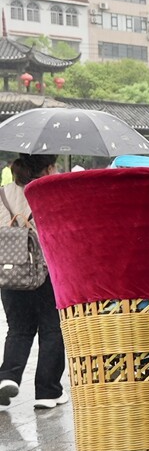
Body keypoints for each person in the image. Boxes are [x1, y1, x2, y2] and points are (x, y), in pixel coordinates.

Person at [0, 155, 68, 410]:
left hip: (9, 271)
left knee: (18, 329)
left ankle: (7, 377)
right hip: (47, 271)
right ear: (48, 168)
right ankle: (47, 392)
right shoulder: (51, 193)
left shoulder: (2, 194)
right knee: (52, 329)